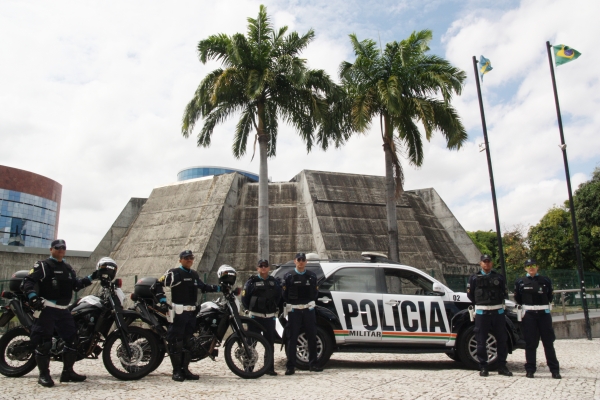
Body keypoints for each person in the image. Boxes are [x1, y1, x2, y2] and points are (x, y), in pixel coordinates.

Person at [22, 239, 98, 388]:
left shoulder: (68, 268)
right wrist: (33, 297)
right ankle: (43, 375)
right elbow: (27, 282)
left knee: (72, 340)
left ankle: (67, 372)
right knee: (45, 343)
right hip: (47, 309)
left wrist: (92, 277)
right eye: (58, 247)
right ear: (51, 249)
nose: (61, 250)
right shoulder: (43, 266)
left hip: (63, 310)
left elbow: (76, 285)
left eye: (63, 247)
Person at [154, 250, 221, 382]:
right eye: (186, 258)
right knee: (176, 342)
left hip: (191, 314)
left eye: (191, 258)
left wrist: (220, 288)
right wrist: (162, 301)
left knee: (188, 342)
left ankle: (185, 369)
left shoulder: (194, 274)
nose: (189, 260)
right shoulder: (174, 273)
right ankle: (176, 371)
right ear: (180, 260)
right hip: (179, 313)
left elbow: (204, 287)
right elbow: (157, 284)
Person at [514, 258, 561, 379]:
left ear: (537, 267)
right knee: (530, 343)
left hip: (543, 314)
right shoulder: (520, 282)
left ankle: (554, 370)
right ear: (525, 268)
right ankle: (530, 370)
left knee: (548, 343)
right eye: (528, 266)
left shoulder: (545, 280)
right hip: (529, 314)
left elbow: (549, 295)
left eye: (533, 265)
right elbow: (518, 298)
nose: (531, 268)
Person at [467, 254, 512, 377]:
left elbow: (504, 293)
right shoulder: (474, 278)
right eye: (484, 262)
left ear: (491, 263)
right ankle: (483, 366)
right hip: (482, 312)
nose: (486, 264)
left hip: (497, 312)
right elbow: (471, 296)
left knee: (502, 339)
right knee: (481, 340)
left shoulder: (499, 277)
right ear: (480, 263)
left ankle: (502, 366)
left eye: (488, 261)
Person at [282, 252, 321, 375]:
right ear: (295, 261)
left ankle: (313, 364)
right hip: (294, 311)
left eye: (303, 260)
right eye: (298, 259)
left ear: (306, 262)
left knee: (312, 336)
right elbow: (284, 295)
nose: (301, 262)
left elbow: (315, 294)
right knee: (292, 338)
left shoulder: (312, 276)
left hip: (308, 310)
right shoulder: (289, 276)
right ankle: (290, 366)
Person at [242, 259, 282, 376]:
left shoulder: (274, 282)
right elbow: (245, 299)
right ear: (257, 268)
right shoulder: (251, 282)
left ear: (269, 268)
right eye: (261, 266)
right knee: (250, 345)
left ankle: (269, 368)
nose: (263, 268)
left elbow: (278, 297)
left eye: (265, 266)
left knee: (269, 344)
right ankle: (248, 368)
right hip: (255, 318)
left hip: (269, 318)